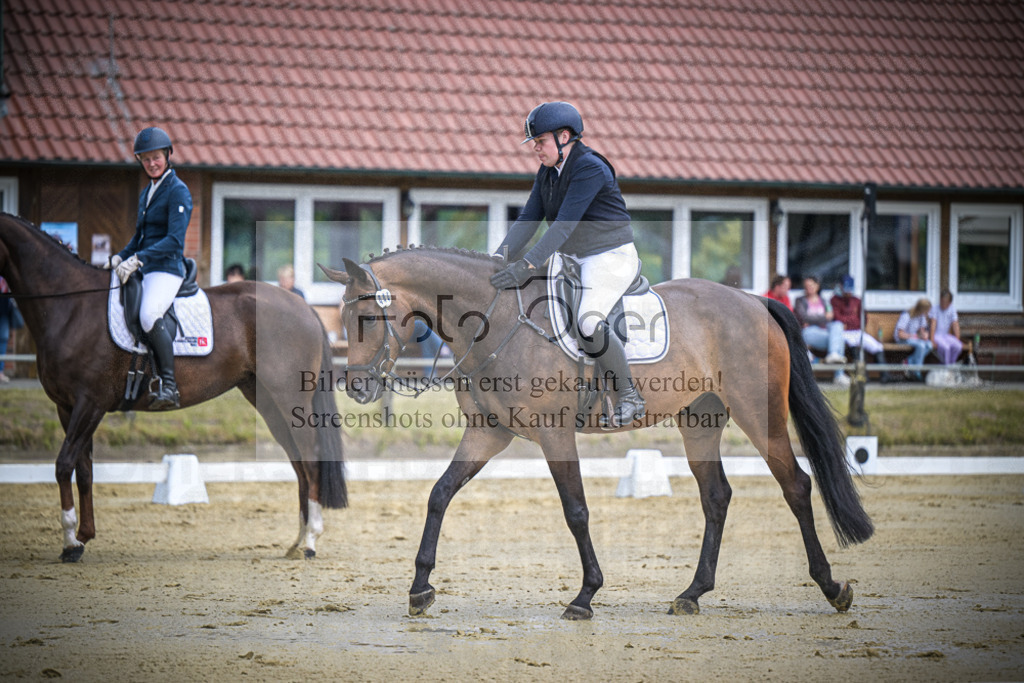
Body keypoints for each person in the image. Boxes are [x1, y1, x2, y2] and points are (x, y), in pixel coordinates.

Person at [489, 101, 644, 428]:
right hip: (572, 257)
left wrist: (528, 264)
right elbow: (529, 219)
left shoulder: (589, 167)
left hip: (609, 255)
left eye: (540, 141)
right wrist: (497, 260)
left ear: (564, 137)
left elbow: (562, 225)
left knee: (588, 321)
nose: (535, 148)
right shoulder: (548, 171)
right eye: (533, 142)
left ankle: (629, 395)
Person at [104, 127, 192, 409]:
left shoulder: (178, 191)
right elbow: (139, 237)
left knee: (148, 314)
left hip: (167, 268)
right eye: (145, 160)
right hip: (146, 265)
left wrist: (138, 259)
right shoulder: (147, 193)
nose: (152, 163)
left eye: (156, 158)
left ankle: (169, 385)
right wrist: (120, 256)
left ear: (167, 155)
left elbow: (174, 240)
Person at [830, 274, 891, 382]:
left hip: (858, 331)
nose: (848, 292)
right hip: (843, 333)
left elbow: (863, 319)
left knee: (877, 346)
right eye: (846, 289)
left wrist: (850, 321)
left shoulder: (857, 300)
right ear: (840, 286)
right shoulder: (834, 300)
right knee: (853, 345)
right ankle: (863, 375)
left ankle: (885, 375)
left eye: (850, 290)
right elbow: (837, 317)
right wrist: (852, 320)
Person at [793, 276, 848, 385]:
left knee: (837, 325)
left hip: (823, 333)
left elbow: (831, 316)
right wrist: (823, 318)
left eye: (811, 285)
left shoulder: (824, 300)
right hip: (808, 332)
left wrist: (814, 319)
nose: (808, 288)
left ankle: (833, 354)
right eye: (806, 286)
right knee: (838, 339)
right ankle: (839, 375)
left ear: (817, 286)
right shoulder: (800, 300)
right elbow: (803, 317)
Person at [895, 298, 933, 381]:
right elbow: (900, 334)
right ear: (921, 309)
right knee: (921, 346)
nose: (928, 313)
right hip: (902, 339)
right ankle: (917, 371)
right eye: (927, 311)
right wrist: (914, 336)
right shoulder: (907, 314)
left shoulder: (921, 316)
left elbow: (921, 330)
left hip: (914, 338)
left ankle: (909, 361)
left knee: (929, 345)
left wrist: (924, 335)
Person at [930, 289, 963, 365]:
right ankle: (946, 367)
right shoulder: (935, 309)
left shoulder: (952, 309)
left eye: (945, 302)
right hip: (936, 336)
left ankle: (951, 364)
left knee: (958, 346)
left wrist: (957, 339)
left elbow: (955, 325)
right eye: (941, 301)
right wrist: (932, 340)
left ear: (950, 303)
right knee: (946, 348)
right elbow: (933, 325)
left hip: (946, 336)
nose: (942, 304)